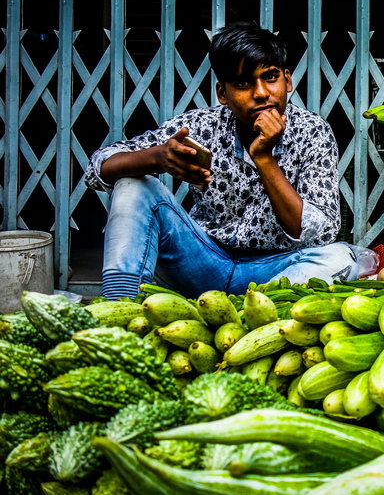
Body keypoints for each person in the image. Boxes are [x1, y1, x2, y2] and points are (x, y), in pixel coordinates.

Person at [85, 22, 363, 300]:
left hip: (274, 272)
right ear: (222, 93)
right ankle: (119, 305)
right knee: (133, 185)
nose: (261, 93)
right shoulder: (200, 127)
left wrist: (264, 158)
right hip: (201, 263)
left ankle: (248, 314)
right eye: (242, 83)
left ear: (287, 81)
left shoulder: (312, 131)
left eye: (270, 77)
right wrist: (156, 157)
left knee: (340, 258)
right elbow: (98, 168)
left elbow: (319, 234)